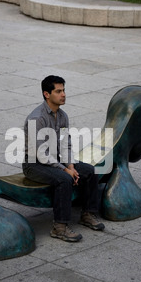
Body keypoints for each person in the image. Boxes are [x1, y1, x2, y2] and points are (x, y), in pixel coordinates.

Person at [22, 75, 104, 242]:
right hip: (34, 164)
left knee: (90, 171)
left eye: (64, 90)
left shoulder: (63, 116)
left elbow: (66, 144)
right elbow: (40, 154)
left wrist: (71, 165)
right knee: (64, 179)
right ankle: (59, 227)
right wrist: (65, 170)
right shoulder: (36, 118)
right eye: (58, 91)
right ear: (46, 94)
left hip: (54, 159)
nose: (63, 94)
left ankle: (88, 214)